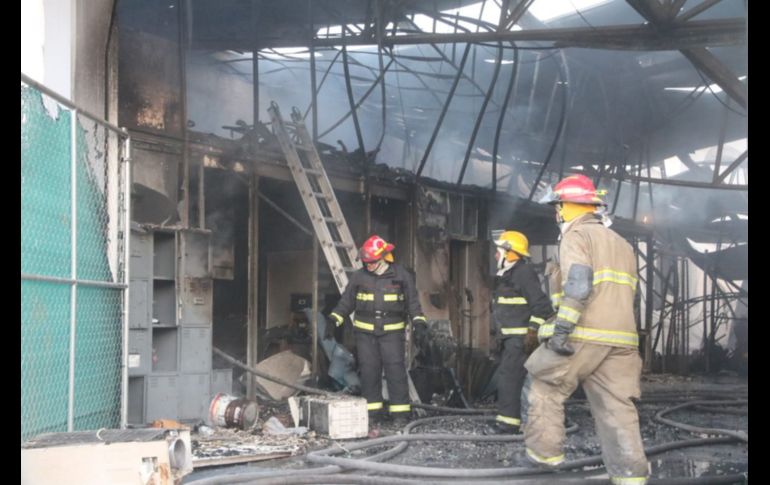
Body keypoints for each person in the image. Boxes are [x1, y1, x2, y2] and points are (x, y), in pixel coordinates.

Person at [524, 174, 649, 484]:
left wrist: (561, 331)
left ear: (567, 207)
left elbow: (578, 285)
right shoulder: (622, 244)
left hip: (583, 332)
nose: (557, 213)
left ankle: (544, 460)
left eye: (558, 206)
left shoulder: (576, 237)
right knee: (617, 408)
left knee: (543, 387)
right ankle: (630, 476)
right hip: (621, 340)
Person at [327, 235, 427, 426]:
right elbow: (346, 302)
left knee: (395, 372)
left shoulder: (401, 275)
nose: (368, 265)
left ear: (383, 257)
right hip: (365, 335)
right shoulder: (359, 276)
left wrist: (419, 323)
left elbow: (413, 304)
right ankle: (373, 414)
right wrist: (334, 319)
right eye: (365, 262)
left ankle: (400, 415)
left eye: (371, 262)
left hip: (392, 334)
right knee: (369, 372)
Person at [488, 231, 554, 434]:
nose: (495, 256)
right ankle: (510, 421)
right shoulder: (510, 275)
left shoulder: (523, 273)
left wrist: (532, 331)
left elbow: (542, 306)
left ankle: (508, 425)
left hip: (519, 340)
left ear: (510, 253)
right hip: (509, 339)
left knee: (509, 378)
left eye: (499, 252)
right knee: (510, 378)